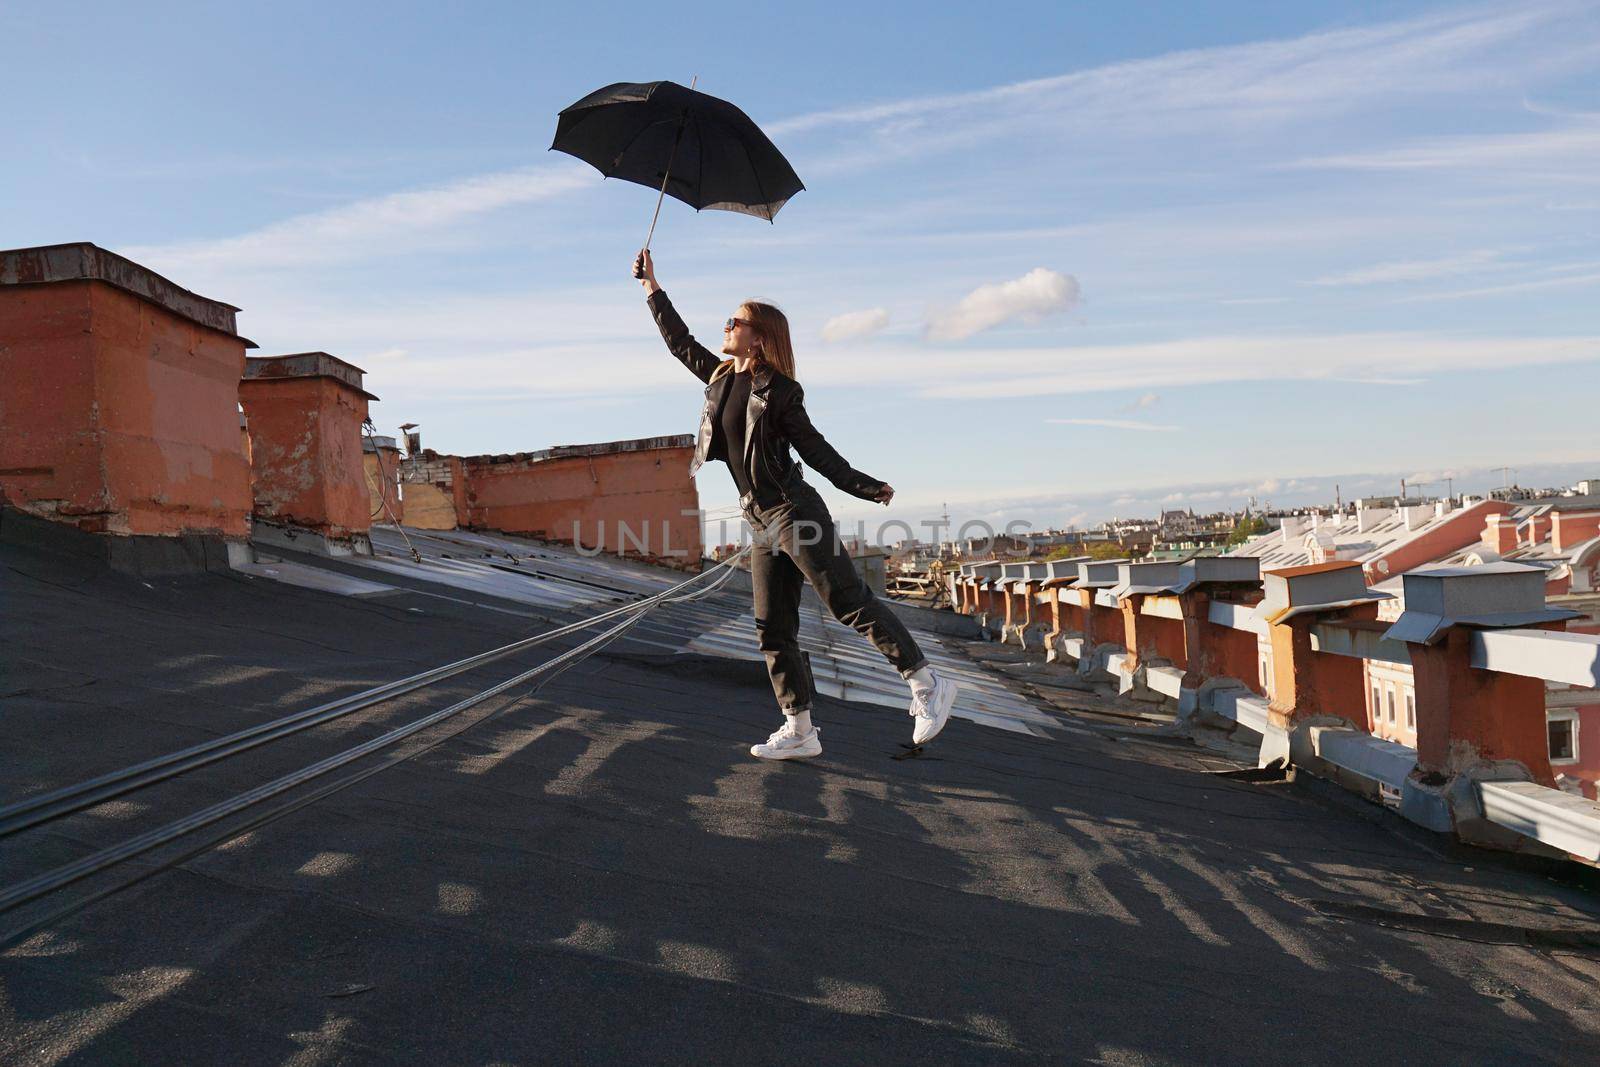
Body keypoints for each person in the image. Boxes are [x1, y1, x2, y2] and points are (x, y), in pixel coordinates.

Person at [634, 249, 959, 761]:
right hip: (759, 519)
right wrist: (653, 287)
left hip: (793, 511)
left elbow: (815, 450)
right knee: (771, 627)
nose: (726, 324)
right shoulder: (720, 377)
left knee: (846, 600)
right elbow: (679, 343)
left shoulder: (781, 391)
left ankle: (926, 682)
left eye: (735, 320)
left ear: (759, 336)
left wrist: (865, 486)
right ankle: (800, 730)